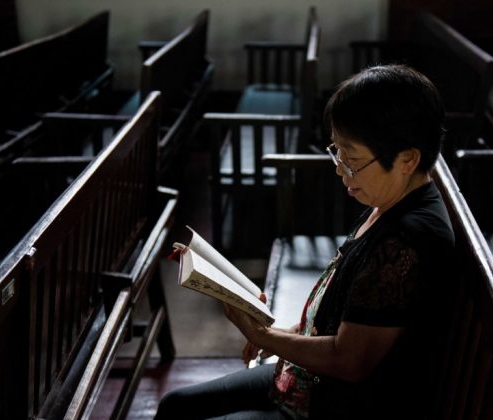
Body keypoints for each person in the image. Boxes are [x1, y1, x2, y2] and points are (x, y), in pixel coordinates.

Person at [155, 64, 456, 419]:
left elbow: (349, 361)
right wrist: (281, 331)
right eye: (337, 152)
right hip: (313, 381)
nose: (340, 168)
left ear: (407, 159)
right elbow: (350, 312)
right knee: (176, 406)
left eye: (353, 159)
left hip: (339, 403)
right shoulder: (389, 199)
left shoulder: (407, 240)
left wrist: (266, 338)